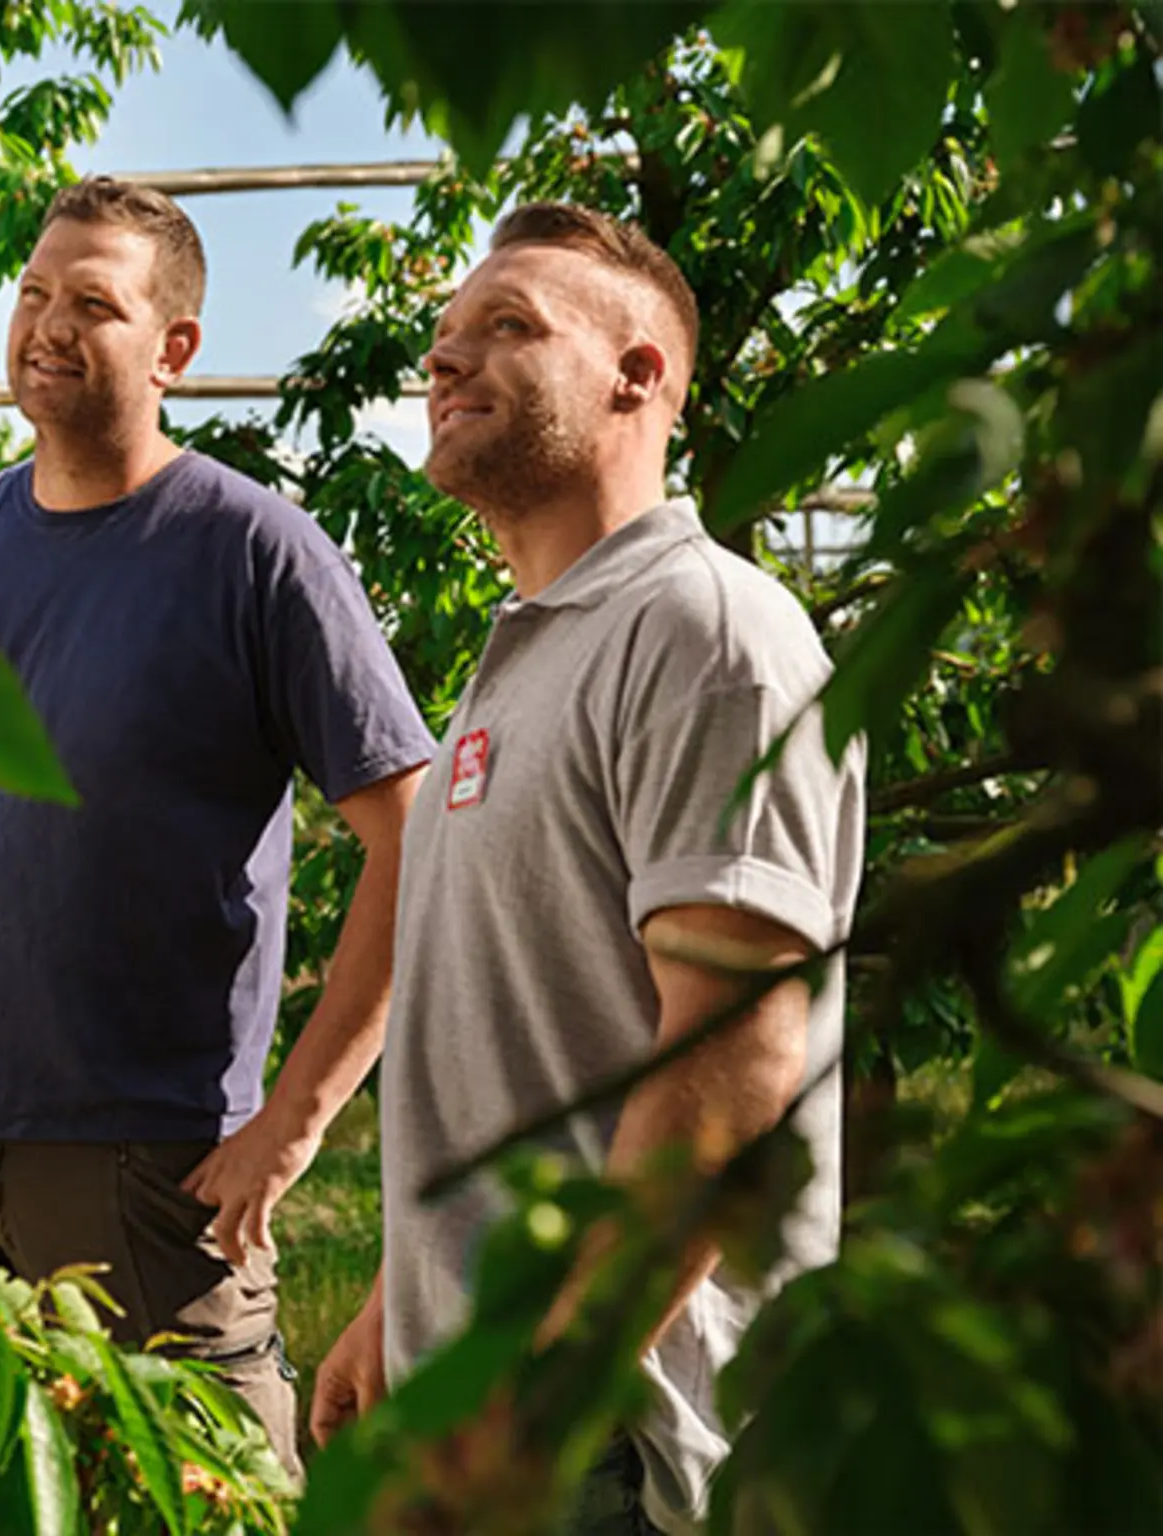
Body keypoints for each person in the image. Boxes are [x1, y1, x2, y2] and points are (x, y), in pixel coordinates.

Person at [0, 176, 435, 1480]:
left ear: (173, 350)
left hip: (152, 1166)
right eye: (33, 293)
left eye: (94, 303)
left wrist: (297, 1121)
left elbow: (417, 842)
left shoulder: (259, 555)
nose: (46, 326)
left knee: (204, 1499)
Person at [309, 202, 865, 1533]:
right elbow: (513, 1038)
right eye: (444, 338)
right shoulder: (522, 660)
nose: (445, 361)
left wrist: (533, 1403)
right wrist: (403, 1307)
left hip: (618, 1440)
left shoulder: (705, 632)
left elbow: (731, 1061)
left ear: (640, 375)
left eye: (508, 328)